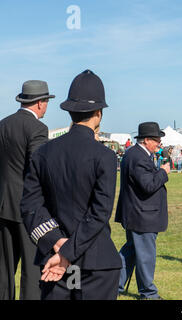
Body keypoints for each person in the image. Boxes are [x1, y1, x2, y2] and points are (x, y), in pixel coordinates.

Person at [20, 70, 122, 300]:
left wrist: (56, 242)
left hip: (55, 261)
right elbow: (99, 213)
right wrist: (68, 252)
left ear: (70, 111)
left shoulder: (43, 153)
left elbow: (30, 206)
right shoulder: (104, 156)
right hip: (95, 263)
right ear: (99, 113)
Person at [0, 80, 54, 300]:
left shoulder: (3, 124)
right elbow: (37, 169)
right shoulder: (38, 128)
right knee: (32, 270)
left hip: (3, 204)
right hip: (27, 209)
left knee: (4, 267)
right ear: (40, 103)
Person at [115, 122, 170, 300]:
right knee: (145, 255)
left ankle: (113, 284)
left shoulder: (136, 154)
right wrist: (163, 172)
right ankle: (148, 293)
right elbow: (148, 185)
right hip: (142, 215)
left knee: (130, 251)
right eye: (156, 140)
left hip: (137, 213)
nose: (159, 144)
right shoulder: (138, 157)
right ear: (146, 140)